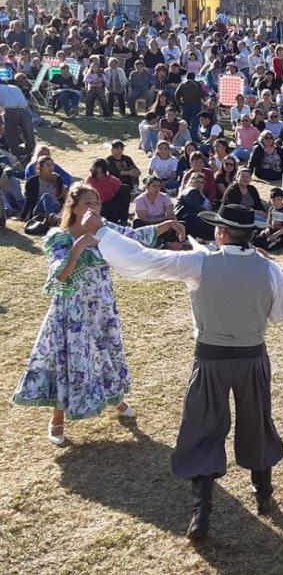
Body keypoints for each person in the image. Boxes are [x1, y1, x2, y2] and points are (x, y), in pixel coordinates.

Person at [81, 203, 283, 542]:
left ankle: (202, 511)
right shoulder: (267, 269)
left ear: (222, 233)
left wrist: (102, 230)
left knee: (202, 429)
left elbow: (143, 260)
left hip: (211, 359)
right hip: (251, 358)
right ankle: (264, 494)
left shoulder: (199, 263)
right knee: (257, 423)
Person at [11, 184, 183, 444]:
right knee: (70, 361)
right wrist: (80, 246)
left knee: (106, 354)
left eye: (97, 204)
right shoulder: (60, 236)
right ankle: (57, 420)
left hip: (102, 308)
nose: (93, 209)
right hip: (72, 313)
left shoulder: (105, 230)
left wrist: (167, 224)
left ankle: (116, 400)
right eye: (87, 204)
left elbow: (133, 237)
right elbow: (60, 275)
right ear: (73, 206)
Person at [86, 159, 131, 225]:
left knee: (125, 188)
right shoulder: (90, 180)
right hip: (98, 207)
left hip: (112, 206)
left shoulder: (111, 180)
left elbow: (121, 191)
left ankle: (123, 219)